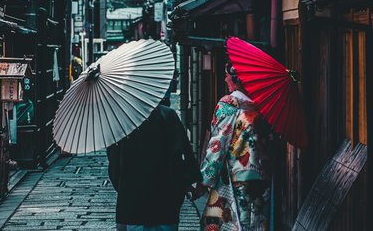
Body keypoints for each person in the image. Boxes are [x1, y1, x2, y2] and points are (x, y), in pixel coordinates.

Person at [196, 64, 274, 231]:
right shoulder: (260, 105)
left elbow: (218, 143)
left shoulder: (229, 103)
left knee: (230, 222)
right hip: (261, 176)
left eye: (227, 75)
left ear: (237, 78)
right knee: (256, 222)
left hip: (235, 175)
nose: (225, 79)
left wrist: (204, 179)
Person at [107, 101, 201, 231]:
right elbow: (182, 154)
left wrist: (123, 187)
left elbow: (114, 162)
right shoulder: (168, 114)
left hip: (132, 196)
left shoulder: (120, 120)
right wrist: (188, 182)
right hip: (166, 194)